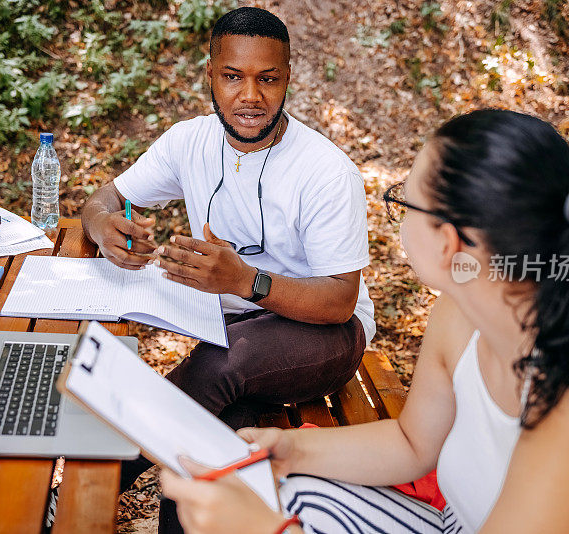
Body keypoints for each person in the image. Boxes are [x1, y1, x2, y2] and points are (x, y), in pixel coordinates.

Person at [159, 109, 569, 534]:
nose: (398, 217)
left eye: (404, 201)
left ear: (448, 242)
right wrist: (291, 449)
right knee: (263, 486)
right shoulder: (463, 310)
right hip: (456, 523)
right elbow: (412, 444)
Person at [80, 6, 375, 527]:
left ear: (287, 78)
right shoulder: (188, 142)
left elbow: (339, 301)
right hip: (238, 329)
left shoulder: (327, 172)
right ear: (210, 74)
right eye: (233, 76)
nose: (251, 97)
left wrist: (244, 280)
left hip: (329, 333)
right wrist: (105, 228)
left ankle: (93, 488)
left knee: (219, 366)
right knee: (217, 440)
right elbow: (105, 198)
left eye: (268, 79)